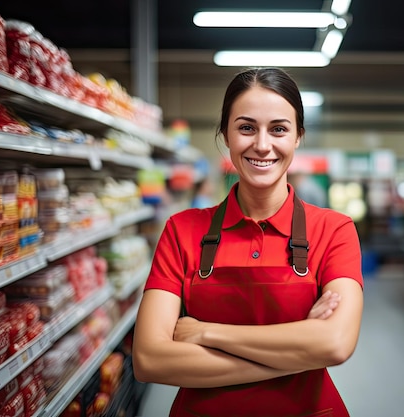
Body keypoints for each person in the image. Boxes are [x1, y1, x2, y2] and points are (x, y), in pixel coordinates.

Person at [133, 67, 365, 417]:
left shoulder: (333, 230)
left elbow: (334, 343)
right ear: (226, 134)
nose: (262, 144)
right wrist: (298, 354)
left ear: (298, 137)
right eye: (246, 128)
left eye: (279, 129)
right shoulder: (182, 230)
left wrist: (207, 332)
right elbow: (150, 359)